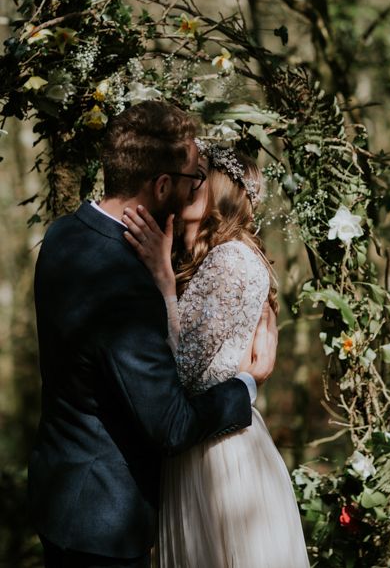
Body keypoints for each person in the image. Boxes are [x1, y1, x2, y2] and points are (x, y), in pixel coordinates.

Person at [28, 101, 277, 568]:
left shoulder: (63, 235)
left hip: (59, 494)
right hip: (105, 522)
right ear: (162, 185)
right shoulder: (125, 283)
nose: (196, 188)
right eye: (192, 179)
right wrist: (249, 382)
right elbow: (172, 425)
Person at [122, 140, 309, 567]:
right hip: (194, 447)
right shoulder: (200, 259)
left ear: (224, 188)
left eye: (200, 177)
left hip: (220, 457)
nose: (188, 186)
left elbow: (181, 373)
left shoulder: (231, 259)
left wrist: (165, 285)